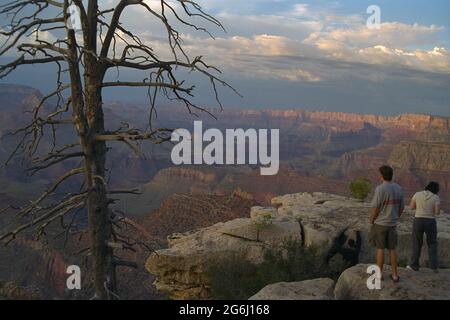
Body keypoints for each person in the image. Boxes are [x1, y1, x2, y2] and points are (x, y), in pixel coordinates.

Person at [369, 165, 405, 282]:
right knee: (392, 249)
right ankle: (395, 275)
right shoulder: (399, 188)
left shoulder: (380, 189)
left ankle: (379, 275)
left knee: (380, 249)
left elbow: (375, 207)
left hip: (380, 223)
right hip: (392, 224)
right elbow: (402, 207)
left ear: (381, 176)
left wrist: (372, 220)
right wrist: (396, 217)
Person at [407, 182, 441, 272]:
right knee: (432, 243)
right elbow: (437, 212)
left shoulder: (417, 194)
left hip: (418, 220)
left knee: (417, 243)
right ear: (435, 189)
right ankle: (433, 267)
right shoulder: (435, 197)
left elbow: (411, 207)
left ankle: (414, 265)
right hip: (430, 221)